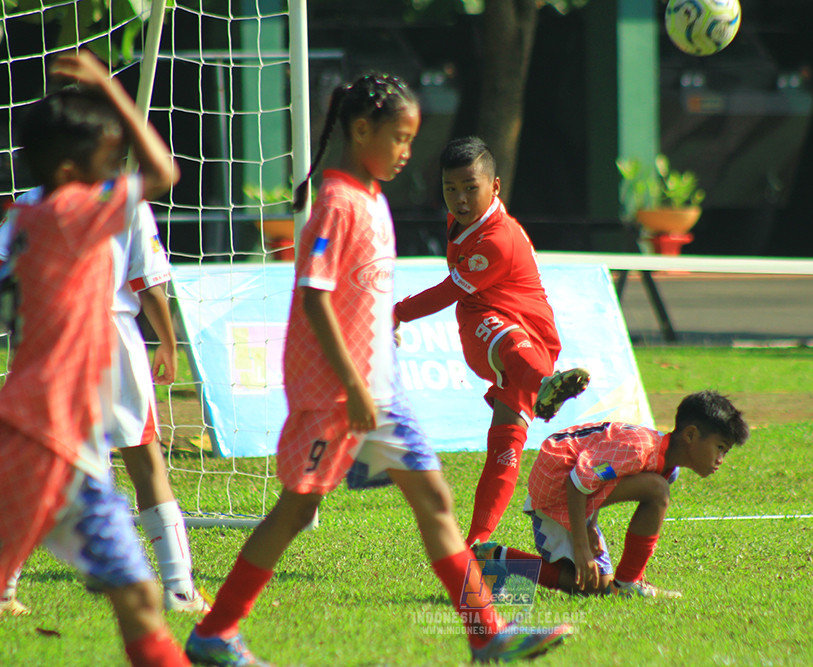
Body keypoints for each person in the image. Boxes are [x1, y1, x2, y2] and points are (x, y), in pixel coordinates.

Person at [184, 74, 570, 667]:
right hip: (337, 397)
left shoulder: (371, 199)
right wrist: (354, 383)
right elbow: (314, 298)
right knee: (295, 511)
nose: (407, 151)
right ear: (361, 130)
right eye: (400, 137)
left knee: (435, 502)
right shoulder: (336, 205)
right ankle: (215, 631)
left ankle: (486, 636)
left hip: (380, 395)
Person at [0, 50, 187, 666]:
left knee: (135, 594)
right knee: (134, 592)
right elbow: (164, 171)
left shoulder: (24, 215)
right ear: (70, 168)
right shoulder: (76, 213)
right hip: (50, 431)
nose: (116, 172)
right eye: (105, 162)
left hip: (51, 427)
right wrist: (112, 89)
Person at [0, 191, 209, 616]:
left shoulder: (28, 203)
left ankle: (5, 586)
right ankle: (180, 589)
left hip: (49, 345)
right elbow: (149, 282)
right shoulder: (125, 200)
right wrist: (168, 342)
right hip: (113, 342)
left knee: (39, 466)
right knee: (145, 462)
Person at [393, 136, 590, 546]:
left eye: (471, 188)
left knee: (505, 449)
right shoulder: (464, 224)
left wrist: (394, 312)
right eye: (451, 189)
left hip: (517, 337)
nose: (460, 199)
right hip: (511, 341)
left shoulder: (496, 240)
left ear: (494, 187)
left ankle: (476, 545)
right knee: (500, 340)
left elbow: (448, 292)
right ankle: (544, 386)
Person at [472, 390, 749, 598]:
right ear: (690, 435)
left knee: (594, 587)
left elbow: (595, 478)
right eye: (720, 447)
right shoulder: (640, 450)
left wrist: (590, 524)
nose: (720, 459)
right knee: (657, 490)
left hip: (576, 487)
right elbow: (576, 481)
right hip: (555, 487)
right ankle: (628, 584)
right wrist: (582, 547)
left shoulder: (666, 465)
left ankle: (495, 558)